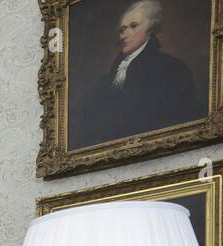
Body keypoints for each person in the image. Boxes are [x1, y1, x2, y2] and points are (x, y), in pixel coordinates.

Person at [69, 1, 203, 149]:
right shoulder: (109, 79)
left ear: (151, 29)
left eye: (133, 26)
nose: (123, 35)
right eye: (122, 29)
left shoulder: (173, 69)